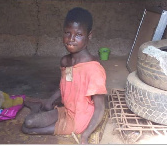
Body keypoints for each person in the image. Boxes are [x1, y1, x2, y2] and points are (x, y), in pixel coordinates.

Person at [22, 7, 107, 144]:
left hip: (79, 121)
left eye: (78, 34)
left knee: (27, 129)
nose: (71, 39)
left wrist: (85, 136)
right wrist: (50, 100)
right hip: (66, 110)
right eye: (67, 33)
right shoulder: (66, 61)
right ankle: (38, 108)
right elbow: (66, 83)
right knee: (29, 121)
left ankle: (37, 109)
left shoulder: (94, 70)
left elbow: (100, 108)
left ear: (89, 35)